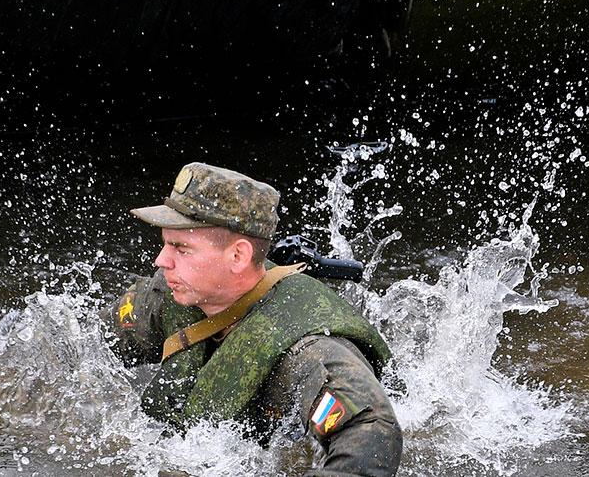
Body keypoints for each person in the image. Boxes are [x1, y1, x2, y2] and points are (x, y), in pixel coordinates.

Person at [107, 162, 402, 476]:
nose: (162, 260)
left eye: (181, 248)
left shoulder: (307, 349)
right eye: (166, 243)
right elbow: (92, 349)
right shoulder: (173, 293)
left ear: (238, 256)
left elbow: (373, 432)